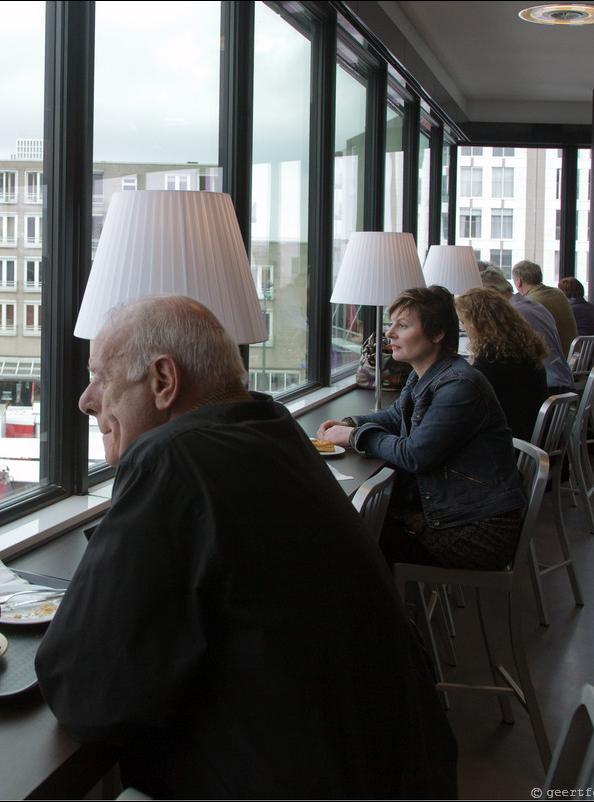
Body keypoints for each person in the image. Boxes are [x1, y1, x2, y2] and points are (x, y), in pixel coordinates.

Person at [35, 295, 457, 799]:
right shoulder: (270, 426)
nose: (85, 399)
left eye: (101, 376)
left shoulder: (173, 458)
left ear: (163, 382)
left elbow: (86, 693)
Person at [317, 286, 526, 572]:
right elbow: (394, 417)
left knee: (340, 539)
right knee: (342, 526)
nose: (390, 333)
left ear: (438, 333)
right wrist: (350, 423)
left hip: (477, 531)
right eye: (392, 324)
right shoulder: (428, 375)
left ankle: (378, 615)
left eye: (402, 326)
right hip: (454, 513)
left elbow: (416, 455)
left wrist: (354, 436)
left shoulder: (459, 385)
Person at [455, 286, 549, 442]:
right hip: (532, 438)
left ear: (479, 322)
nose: (463, 328)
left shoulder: (493, 358)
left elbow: (464, 393)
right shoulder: (521, 346)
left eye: (464, 322)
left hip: (511, 444)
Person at [480, 267, 574, 395]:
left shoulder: (511, 314)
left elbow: (499, 356)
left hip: (548, 389)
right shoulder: (532, 304)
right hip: (561, 382)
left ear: (491, 291)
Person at [512, 260, 577, 357]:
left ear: (519, 282)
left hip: (554, 361)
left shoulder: (528, 303)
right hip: (574, 357)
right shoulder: (559, 293)